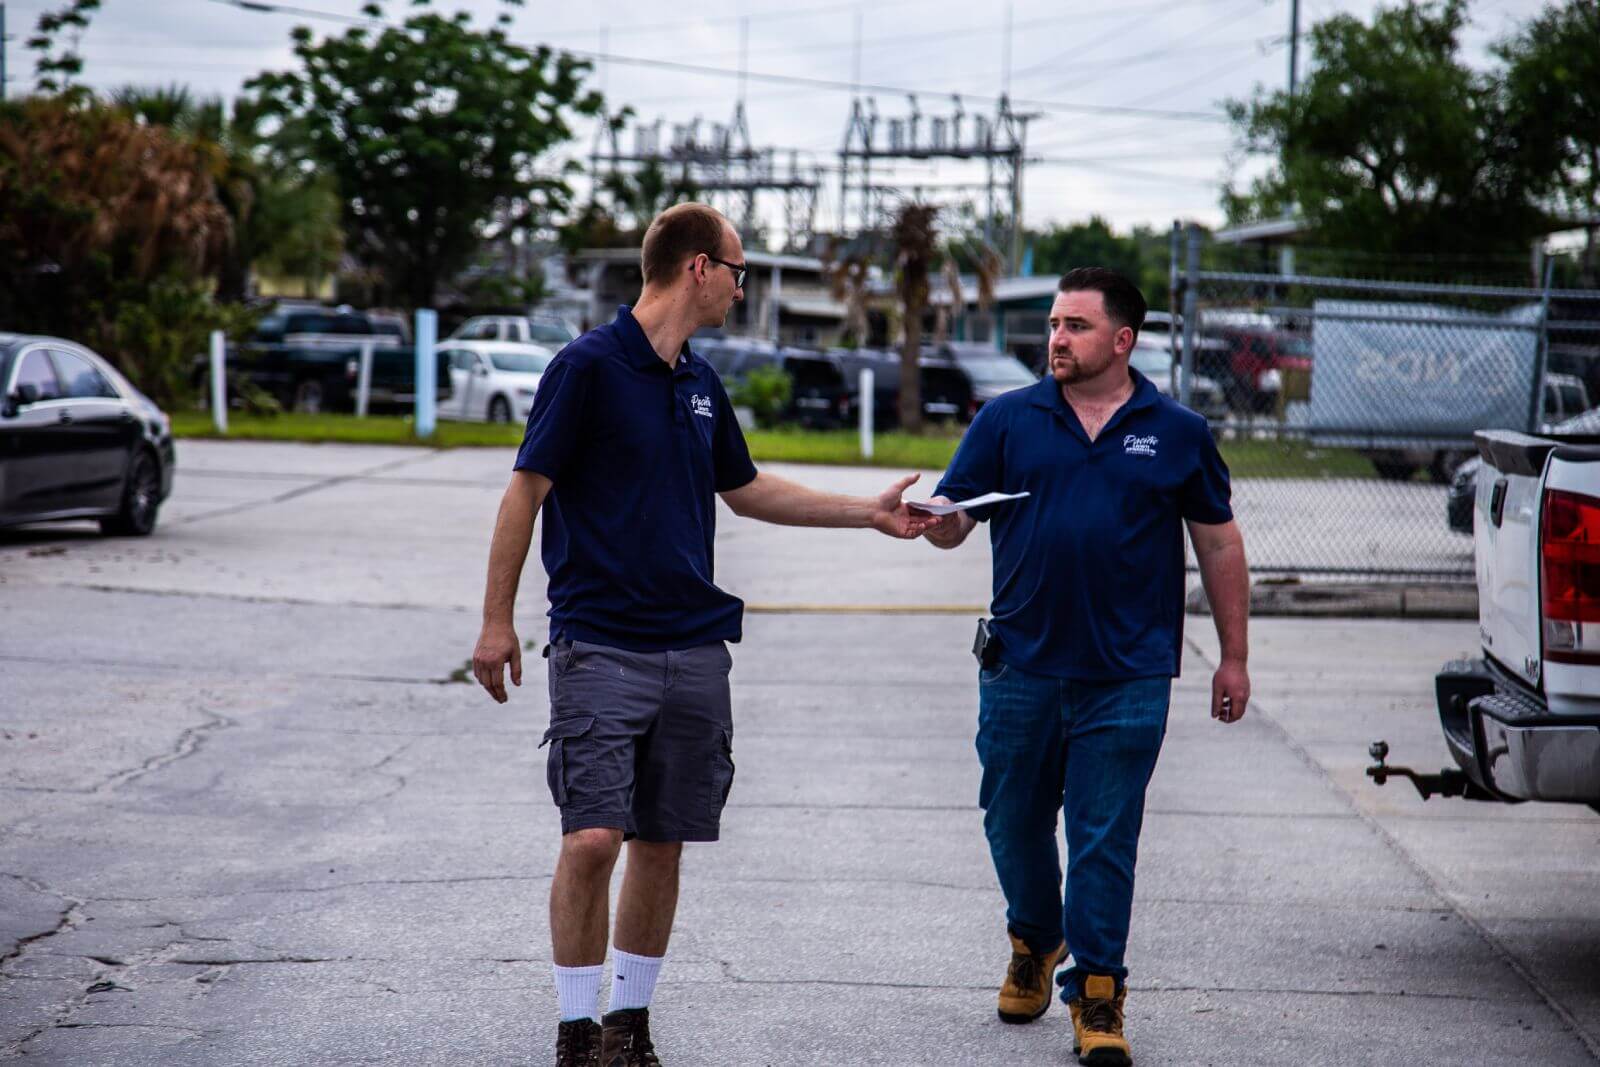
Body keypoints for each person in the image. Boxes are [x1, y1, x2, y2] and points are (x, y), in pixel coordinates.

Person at [470, 202, 940, 1067]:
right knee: (592, 837)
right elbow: (523, 493)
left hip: (693, 647)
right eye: (738, 267)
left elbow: (747, 487)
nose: (740, 283)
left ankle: (628, 1027)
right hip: (598, 640)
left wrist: (867, 514)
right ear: (697, 267)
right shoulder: (585, 368)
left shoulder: (698, 381)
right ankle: (577, 1032)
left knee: (661, 838)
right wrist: (497, 620)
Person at [919, 267, 1249, 1066]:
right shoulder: (1007, 419)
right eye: (1055, 325)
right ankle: (1036, 933)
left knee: (1104, 837)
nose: (1056, 339)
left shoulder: (1177, 431)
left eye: (1075, 326)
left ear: (1123, 339)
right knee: (1012, 818)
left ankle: (1098, 994)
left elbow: (1218, 542)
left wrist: (1234, 656)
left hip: (1128, 674)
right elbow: (955, 520)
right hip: (1020, 665)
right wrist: (932, 521)